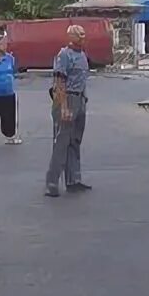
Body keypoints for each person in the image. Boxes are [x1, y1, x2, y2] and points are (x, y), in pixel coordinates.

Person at [45, 25, 92, 197]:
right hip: (67, 99)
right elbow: (59, 82)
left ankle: (73, 180)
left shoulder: (82, 55)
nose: (82, 37)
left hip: (80, 99)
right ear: (70, 36)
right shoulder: (64, 55)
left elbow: (82, 79)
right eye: (79, 34)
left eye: (83, 34)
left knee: (75, 141)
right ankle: (51, 183)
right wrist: (63, 106)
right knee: (61, 142)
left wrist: (84, 99)